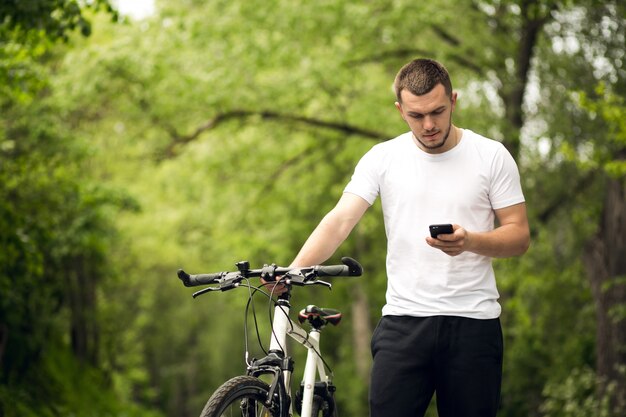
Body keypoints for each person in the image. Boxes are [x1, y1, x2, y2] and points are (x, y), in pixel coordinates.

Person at [287, 58, 530, 417]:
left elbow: (519, 235)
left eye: (438, 111)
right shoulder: (383, 158)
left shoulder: (491, 155)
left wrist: (471, 241)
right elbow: (340, 220)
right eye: (417, 115)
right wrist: (293, 271)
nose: (429, 125)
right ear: (400, 110)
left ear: (454, 101)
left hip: (473, 325)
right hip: (403, 322)